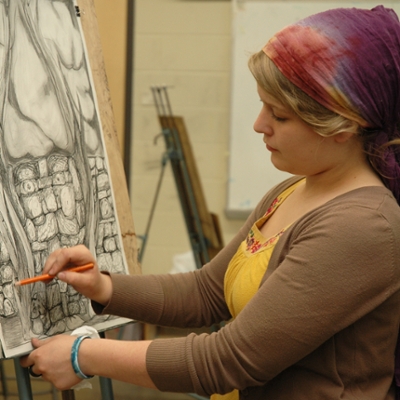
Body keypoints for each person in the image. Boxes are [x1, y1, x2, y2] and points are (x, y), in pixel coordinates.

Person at [20, 5, 400, 400]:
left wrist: (84, 355)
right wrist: (102, 287)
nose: (259, 124)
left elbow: (228, 360)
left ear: (342, 126)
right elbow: (206, 292)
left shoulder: (362, 226)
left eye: (280, 116)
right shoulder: (292, 191)